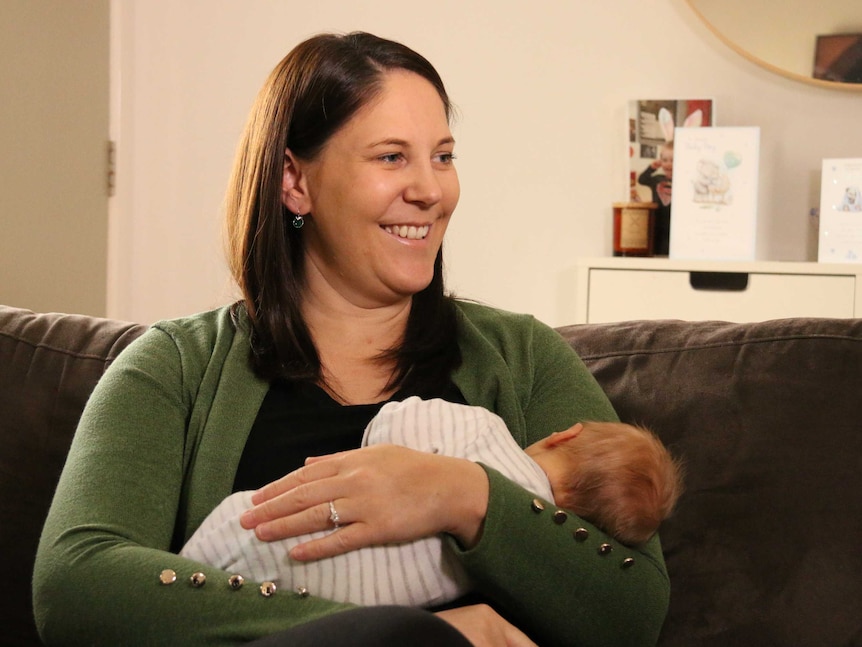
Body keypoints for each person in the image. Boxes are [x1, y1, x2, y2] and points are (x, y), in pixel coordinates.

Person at [33, 32, 671, 646]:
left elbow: (633, 611)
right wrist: (385, 633)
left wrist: (464, 495)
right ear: (295, 181)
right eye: (392, 156)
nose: (430, 190)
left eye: (443, 156)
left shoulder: (524, 359)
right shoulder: (174, 368)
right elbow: (76, 584)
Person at [180, 397, 683, 607]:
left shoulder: (486, 432)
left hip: (262, 532)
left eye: (443, 162)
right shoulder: (507, 569)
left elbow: (399, 420)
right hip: (334, 604)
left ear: (563, 435)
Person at [638, 140, 673, 255]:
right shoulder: (657, 179)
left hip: (673, 222)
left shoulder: (683, 181)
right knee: (657, 249)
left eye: (673, 160)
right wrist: (651, 168)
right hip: (657, 221)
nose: (668, 164)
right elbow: (642, 180)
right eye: (664, 160)